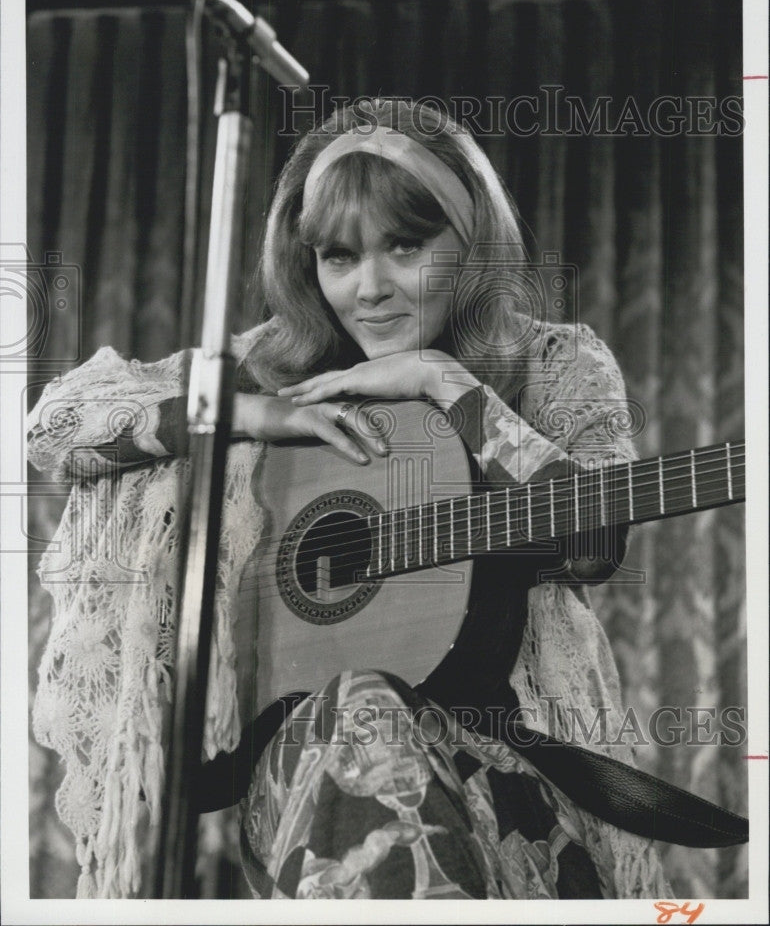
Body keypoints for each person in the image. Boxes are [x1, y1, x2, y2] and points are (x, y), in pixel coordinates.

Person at [28, 98, 670, 899]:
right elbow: (53, 427)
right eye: (338, 255)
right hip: (301, 788)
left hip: (516, 776)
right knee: (356, 708)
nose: (369, 288)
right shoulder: (272, 363)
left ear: (471, 247)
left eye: (406, 244)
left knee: (364, 708)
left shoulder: (554, 362)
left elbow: (596, 540)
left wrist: (446, 383)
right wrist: (251, 412)